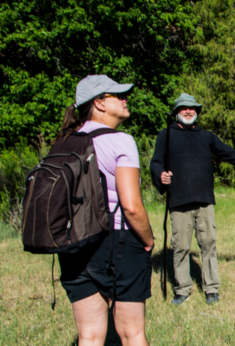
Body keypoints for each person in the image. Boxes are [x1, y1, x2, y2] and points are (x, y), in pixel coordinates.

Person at [150, 93, 235, 306]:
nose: (189, 111)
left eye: (192, 108)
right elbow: (156, 163)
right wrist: (160, 175)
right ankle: (182, 289)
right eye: (184, 108)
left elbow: (229, 153)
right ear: (176, 113)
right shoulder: (166, 135)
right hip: (179, 200)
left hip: (204, 199)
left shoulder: (206, 136)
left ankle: (211, 288)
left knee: (208, 243)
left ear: (197, 112)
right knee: (180, 246)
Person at [58, 75, 154, 346]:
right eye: (118, 95)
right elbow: (132, 206)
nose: (125, 99)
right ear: (99, 103)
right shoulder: (121, 141)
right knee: (132, 333)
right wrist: (148, 240)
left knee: (88, 335)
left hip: (73, 243)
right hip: (117, 241)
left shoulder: (65, 142)